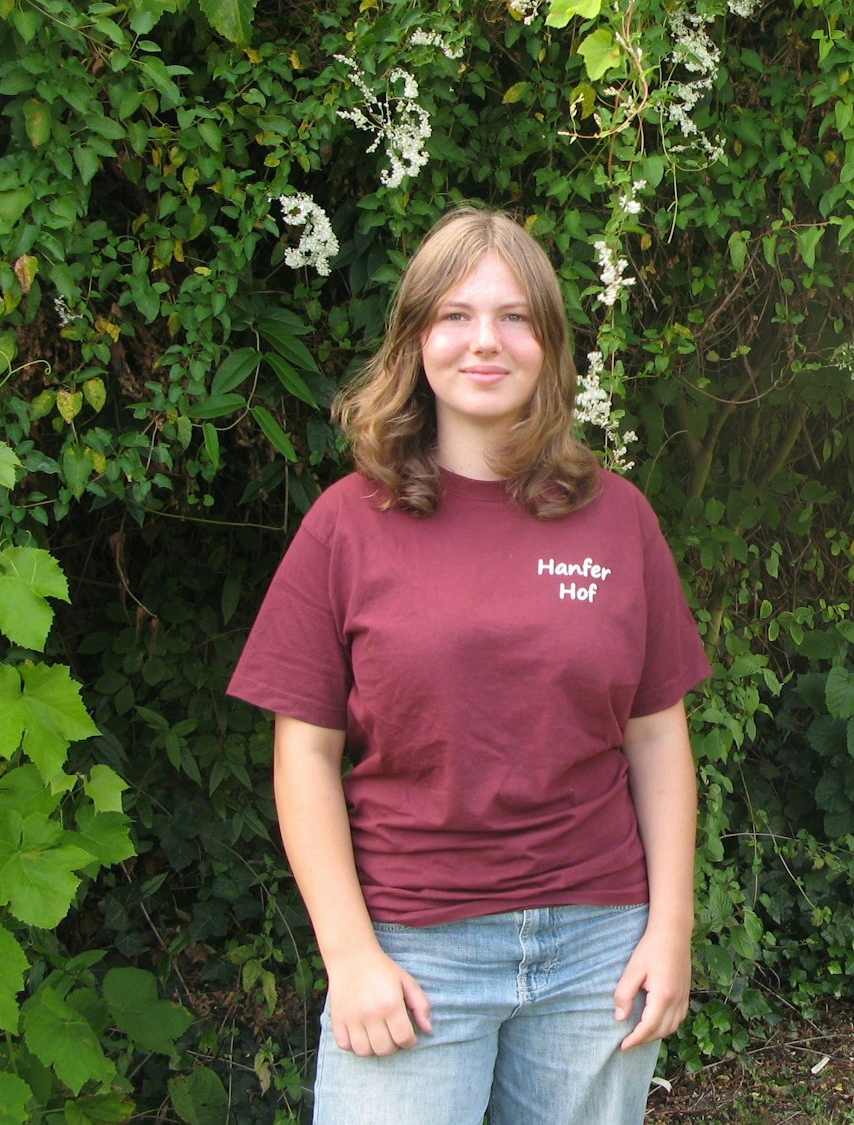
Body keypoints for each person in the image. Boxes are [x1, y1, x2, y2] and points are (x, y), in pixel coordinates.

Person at [228, 206, 710, 1124]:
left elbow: (657, 738)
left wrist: (670, 927)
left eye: (514, 317)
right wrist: (350, 954)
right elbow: (303, 757)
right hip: (413, 951)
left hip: (596, 952)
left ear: (550, 346)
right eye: (454, 315)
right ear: (415, 341)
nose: (484, 341)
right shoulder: (346, 523)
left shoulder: (618, 518)